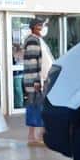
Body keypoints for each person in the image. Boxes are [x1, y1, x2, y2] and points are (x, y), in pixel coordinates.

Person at [23, 17, 54, 146]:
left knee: (38, 107)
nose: (42, 28)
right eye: (39, 26)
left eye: (43, 25)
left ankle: (40, 135)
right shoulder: (32, 40)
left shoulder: (38, 40)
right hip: (36, 82)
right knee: (35, 107)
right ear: (33, 27)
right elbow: (32, 62)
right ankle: (33, 137)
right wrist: (36, 82)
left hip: (42, 80)